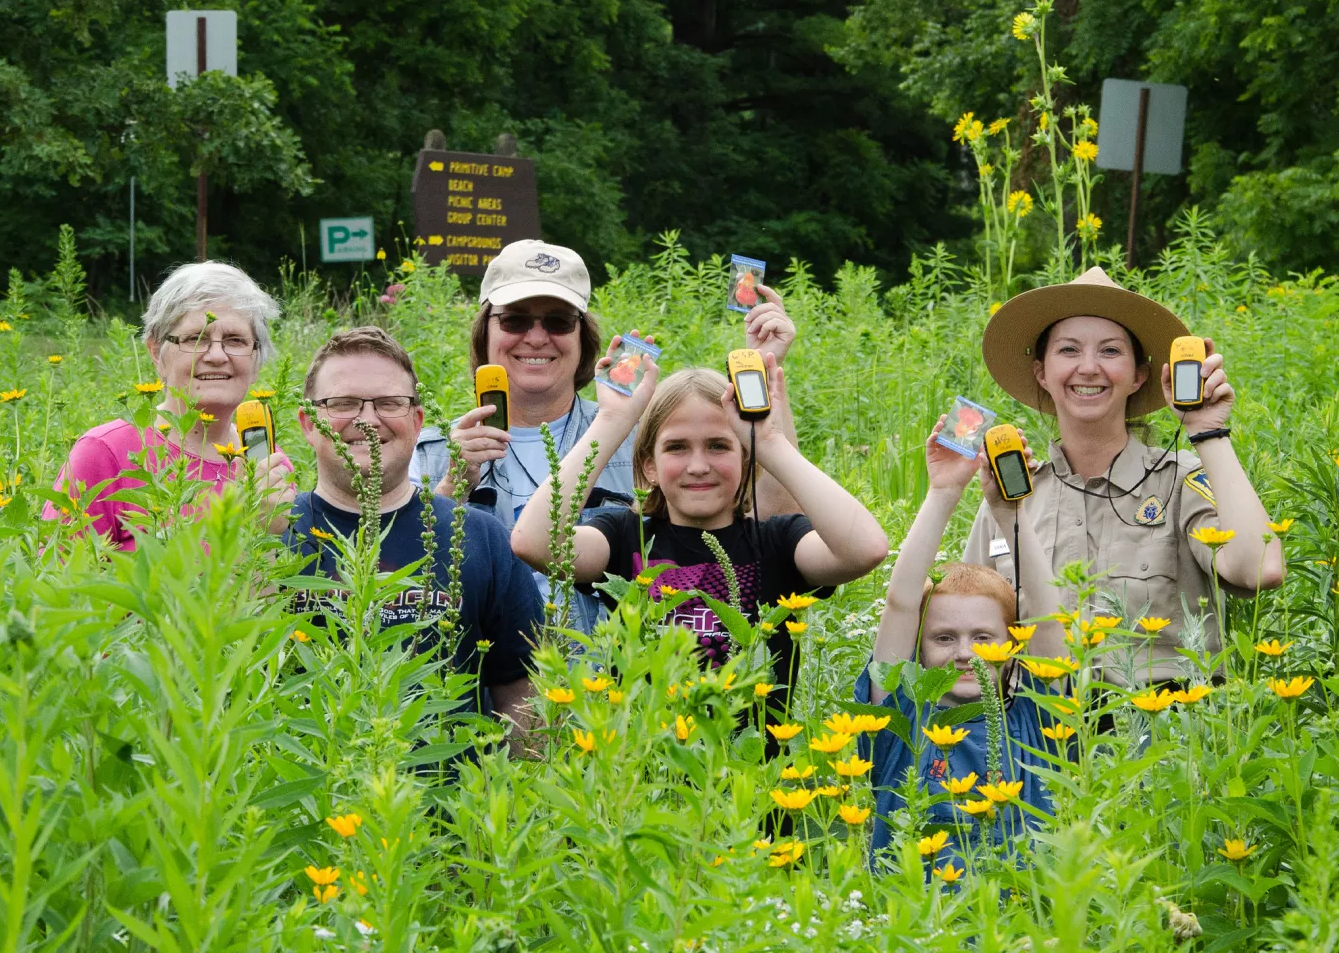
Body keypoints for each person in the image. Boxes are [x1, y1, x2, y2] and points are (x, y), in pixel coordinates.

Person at [421, 239, 802, 624]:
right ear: (483, 332)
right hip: (478, 675)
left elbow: (772, 527)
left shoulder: (644, 441)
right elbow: (401, 584)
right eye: (514, 320)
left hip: (613, 674)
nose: (536, 338)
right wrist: (451, 489)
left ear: (583, 337)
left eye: (558, 321)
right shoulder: (433, 451)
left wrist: (765, 369)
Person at [509, 343, 887, 699]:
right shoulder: (627, 538)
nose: (698, 466)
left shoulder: (776, 542)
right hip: (647, 764)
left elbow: (865, 550)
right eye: (676, 447)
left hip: (751, 764)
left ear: (745, 458)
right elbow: (533, 542)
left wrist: (769, 443)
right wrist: (611, 421)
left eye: (719, 445)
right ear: (649, 467)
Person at [964, 267, 1285, 687]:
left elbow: (1260, 570)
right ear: (1042, 372)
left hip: (1168, 728)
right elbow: (967, 631)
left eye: (1111, 351)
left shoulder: (1178, 481)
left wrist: (1207, 432)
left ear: (1139, 375)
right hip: (1042, 734)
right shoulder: (1010, 499)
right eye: (1069, 350)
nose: (1090, 367)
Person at [288, 326, 542, 729]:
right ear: (307, 422)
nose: (367, 420)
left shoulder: (480, 537)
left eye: (390, 403)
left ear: (418, 420)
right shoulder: (269, 537)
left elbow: (521, 695)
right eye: (343, 403)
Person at [857, 413, 1059, 865]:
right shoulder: (898, 724)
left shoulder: (1037, 723)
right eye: (945, 637)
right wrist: (944, 492)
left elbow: (1048, 621)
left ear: (1013, 647)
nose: (965, 653)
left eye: (984, 637)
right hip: (918, 925)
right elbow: (903, 603)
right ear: (918, 650)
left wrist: (1011, 514)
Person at [45, 261, 295, 549]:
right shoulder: (104, 454)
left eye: (235, 340)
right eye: (194, 338)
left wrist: (263, 534)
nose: (216, 355)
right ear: (155, 353)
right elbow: (60, 581)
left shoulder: (270, 464)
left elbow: (270, 593)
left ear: (256, 359)